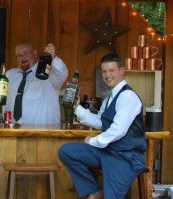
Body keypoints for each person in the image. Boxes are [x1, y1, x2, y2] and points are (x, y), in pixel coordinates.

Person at [58, 53, 146, 199]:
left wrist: (92, 141)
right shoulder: (109, 98)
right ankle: (93, 191)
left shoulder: (127, 96)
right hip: (107, 152)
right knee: (66, 151)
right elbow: (101, 122)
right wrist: (76, 106)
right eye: (104, 71)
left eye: (111, 70)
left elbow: (118, 130)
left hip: (125, 157)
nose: (107, 75)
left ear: (122, 71)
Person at [4, 42, 68, 124]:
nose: (22, 58)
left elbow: (62, 73)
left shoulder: (47, 72)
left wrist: (53, 58)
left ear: (35, 53)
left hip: (42, 133)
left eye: (25, 53)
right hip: (13, 131)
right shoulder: (9, 75)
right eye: (18, 55)